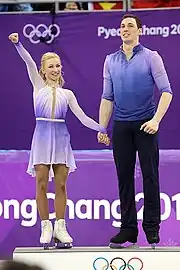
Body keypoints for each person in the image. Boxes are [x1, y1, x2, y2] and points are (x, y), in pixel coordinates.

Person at [8, 32, 109, 249]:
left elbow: (82, 117)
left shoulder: (68, 94)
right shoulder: (37, 86)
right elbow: (27, 61)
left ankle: (60, 228)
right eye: (51, 66)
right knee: (42, 183)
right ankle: (45, 226)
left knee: (62, 185)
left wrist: (102, 129)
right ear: (43, 70)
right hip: (42, 138)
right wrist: (18, 44)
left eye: (58, 66)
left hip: (61, 139)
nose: (55, 69)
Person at [97, 14, 173, 247]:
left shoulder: (152, 57)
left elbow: (166, 92)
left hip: (145, 125)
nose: (125, 29)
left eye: (130, 26)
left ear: (140, 30)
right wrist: (102, 127)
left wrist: (156, 120)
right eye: (122, 26)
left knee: (150, 177)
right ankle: (128, 230)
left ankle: (151, 228)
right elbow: (107, 97)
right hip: (121, 126)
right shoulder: (110, 60)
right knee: (124, 179)